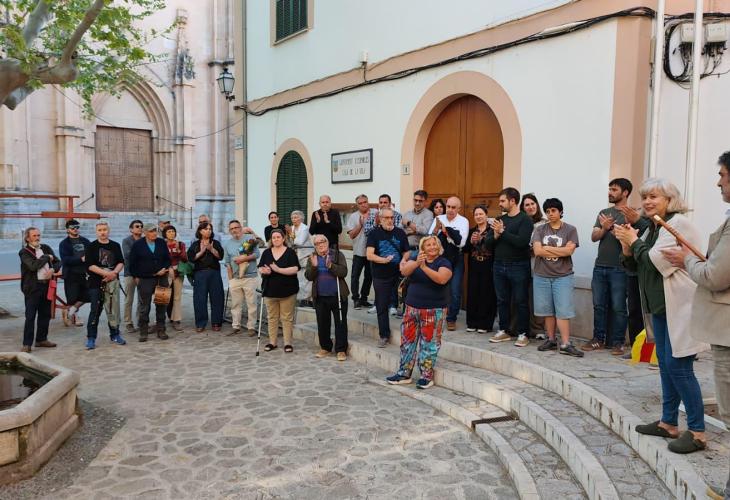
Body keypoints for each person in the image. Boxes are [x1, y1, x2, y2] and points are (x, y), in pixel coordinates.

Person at [615, 178, 709, 454]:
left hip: (679, 306)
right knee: (667, 366)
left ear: (670, 199)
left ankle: (698, 432)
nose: (647, 202)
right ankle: (668, 423)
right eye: (644, 197)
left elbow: (656, 261)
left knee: (680, 368)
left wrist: (634, 242)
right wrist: (627, 247)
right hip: (659, 307)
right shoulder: (654, 226)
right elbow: (636, 265)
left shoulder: (678, 224)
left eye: (653, 196)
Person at [661, 153, 730, 495]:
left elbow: (714, 275)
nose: (718, 182)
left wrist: (686, 259)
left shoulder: (686, 225)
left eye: (723, 175)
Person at [386, 235, 453, 389]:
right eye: (428, 245)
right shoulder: (416, 260)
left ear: (439, 247)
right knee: (407, 342)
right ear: (422, 248)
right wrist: (417, 263)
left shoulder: (444, 262)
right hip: (411, 308)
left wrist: (424, 268)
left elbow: (441, 279)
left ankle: (426, 376)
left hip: (433, 310)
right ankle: (404, 373)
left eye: (434, 244)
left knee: (429, 344)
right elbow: (404, 271)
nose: (432, 247)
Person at [583, 178, 636, 355]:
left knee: (619, 307)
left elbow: (632, 240)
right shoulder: (604, 213)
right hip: (600, 267)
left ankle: (618, 342)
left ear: (625, 192)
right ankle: (598, 339)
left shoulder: (632, 214)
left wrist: (614, 230)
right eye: (609, 189)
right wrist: (604, 228)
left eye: (614, 190)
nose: (610, 193)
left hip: (620, 268)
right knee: (598, 305)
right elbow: (594, 237)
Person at [531, 199, 583, 357]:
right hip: (542, 275)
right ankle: (551, 339)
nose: (550, 214)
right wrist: (560, 250)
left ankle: (566, 344)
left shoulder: (570, 229)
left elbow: (569, 251)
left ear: (560, 211)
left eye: (553, 210)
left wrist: (547, 248)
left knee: (563, 311)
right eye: (547, 211)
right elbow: (537, 251)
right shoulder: (540, 229)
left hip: (563, 276)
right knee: (548, 311)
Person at [486, 188, 534, 346]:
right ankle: (503, 330)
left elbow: (522, 242)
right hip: (499, 265)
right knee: (502, 300)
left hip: (519, 266)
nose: (500, 204)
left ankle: (523, 333)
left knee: (521, 300)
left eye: (502, 201)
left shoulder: (525, 220)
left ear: (513, 201)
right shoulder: (499, 219)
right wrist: (495, 235)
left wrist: (502, 232)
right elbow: (487, 244)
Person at [367, 207, 410, 347]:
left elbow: (406, 252)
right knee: (382, 305)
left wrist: (403, 260)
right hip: (381, 275)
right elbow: (369, 255)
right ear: (380, 219)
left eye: (391, 217)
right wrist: (383, 260)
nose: (390, 220)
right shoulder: (374, 234)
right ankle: (384, 335)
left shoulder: (400, 233)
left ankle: (409, 333)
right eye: (386, 218)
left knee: (407, 302)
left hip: (399, 273)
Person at [305, 234, 349, 361]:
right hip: (320, 296)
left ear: (327, 242)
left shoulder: (337, 255)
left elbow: (344, 272)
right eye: (317, 243)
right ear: (314, 246)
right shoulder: (312, 257)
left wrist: (331, 266)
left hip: (337, 295)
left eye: (323, 241)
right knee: (322, 323)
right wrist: (314, 267)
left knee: (340, 323)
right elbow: (309, 276)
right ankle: (325, 347)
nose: (320, 245)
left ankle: (341, 350)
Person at [428, 196, 469, 331]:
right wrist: (437, 229)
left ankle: (451, 319)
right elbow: (429, 239)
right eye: (448, 207)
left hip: (456, 259)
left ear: (459, 209)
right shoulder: (439, 219)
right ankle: (436, 316)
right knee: (437, 288)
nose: (450, 210)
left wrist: (445, 231)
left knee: (455, 290)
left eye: (453, 207)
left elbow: (461, 243)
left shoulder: (463, 221)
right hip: (440, 258)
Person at [85, 222, 126, 349]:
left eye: (104, 229)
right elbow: (90, 265)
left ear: (109, 231)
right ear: (96, 232)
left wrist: (114, 273)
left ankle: (115, 334)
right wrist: (106, 274)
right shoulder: (91, 246)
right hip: (96, 282)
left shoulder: (115, 245)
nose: (102, 232)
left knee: (113, 309)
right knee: (95, 310)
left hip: (112, 282)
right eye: (100, 230)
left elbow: (121, 262)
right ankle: (91, 337)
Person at [19, 227, 61, 352]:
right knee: (30, 316)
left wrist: (53, 269)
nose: (37, 238)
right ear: (27, 238)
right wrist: (47, 257)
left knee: (45, 314)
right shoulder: (24, 252)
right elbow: (33, 266)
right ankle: (27, 344)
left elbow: (58, 262)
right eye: (34, 236)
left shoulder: (46, 247)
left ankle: (41, 339)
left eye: (38, 235)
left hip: (47, 286)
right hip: (33, 288)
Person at [258, 229, 300, 352]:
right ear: (271, 240)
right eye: (274, 237)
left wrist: (278, 270)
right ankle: (272, 342)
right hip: (269, 290)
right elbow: (260, 267)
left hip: (288, 291)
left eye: (278, 237)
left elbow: (295, 269)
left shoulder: (290, 252)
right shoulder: (266, 252)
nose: (276, 239)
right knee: (272, 317)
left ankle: (288, 343)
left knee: (286, 318)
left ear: (283, 238)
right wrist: (264, 271)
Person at [128, 224, 171, 342]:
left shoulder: (161, 242)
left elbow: (167, 259)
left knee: (161, 304)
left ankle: (161, 329)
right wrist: (136, 277)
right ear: (145, 232)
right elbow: (132, 263)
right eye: (151, 231)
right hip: (145, 279)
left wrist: (164, 269)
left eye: (155, 231)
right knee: (144, 307)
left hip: (162, 278)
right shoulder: (138, 245)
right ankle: (143, 331)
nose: (154, 233)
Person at [225, 220, 262, 336]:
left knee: (251, 304)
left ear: (241, 228)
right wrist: (230, 280)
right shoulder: (228, 244)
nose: (234, 230)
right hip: (235, 279)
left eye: (236, 227)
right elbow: (227, 263)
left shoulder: (249, 239)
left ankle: (251, 327)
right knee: (236, 304)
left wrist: (244, 259)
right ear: (229, 231)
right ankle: (236, 326)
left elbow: (257, 254)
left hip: (250, 277)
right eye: (231, 229)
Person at [187, 221, 225, 333]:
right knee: (200, 299)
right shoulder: (195, 244)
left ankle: (216, 322)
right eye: (206, 229)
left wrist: (211, 249)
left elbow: (220, 256)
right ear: (200, 231)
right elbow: (191, 258)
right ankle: (200, 323)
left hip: (214, 273)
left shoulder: (215, 243)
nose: (208, 231)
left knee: (217, 297)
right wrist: (202, 251)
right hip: (200, 273)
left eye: (210, 229)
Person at [520, 193, 548, 340]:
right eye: (527, 205)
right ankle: (520, 328)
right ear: (522, 208)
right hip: (521, 265)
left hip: (538, 267)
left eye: (532, 204)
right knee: (520, 298)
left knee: (537, 299)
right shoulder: (520, 222)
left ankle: (538, 329)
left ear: (537, 205)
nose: (530, 207)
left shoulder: (544, 223)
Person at [464, 205, 497, 333]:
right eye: (476, 214)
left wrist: (482, 240)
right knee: (473, 293)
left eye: (481, 214)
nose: (478, 216)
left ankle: (485, 324)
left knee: (487, 293)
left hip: (488, 264)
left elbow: (494, 246)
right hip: (474, 264)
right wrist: (471, 242)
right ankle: (472, 322)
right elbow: (465, 249)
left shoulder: (492, 230)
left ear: (486, 215)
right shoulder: (472, 231)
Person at [346, 194, 376, 309]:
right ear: (357, 205)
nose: (363, 205)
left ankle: (364, 298)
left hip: (372, 252)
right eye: (360, 203)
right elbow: (352, 235)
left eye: (365, 202)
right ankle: (355, 299)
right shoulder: (353, 216)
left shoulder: (375, 213)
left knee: (369, 276)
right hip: (359, 251)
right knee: (355, 276)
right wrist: (360, 225)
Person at [59, 219, 90, 326]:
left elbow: (92, 254)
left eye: (77, 227)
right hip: (71, 274)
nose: (75, 229)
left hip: (85, 273)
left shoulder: (85, 241)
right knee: (72, 297)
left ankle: (71, 311)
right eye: (72, 228)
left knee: (88, 295)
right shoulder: (64, 244)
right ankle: (75, 317)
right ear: (67, 229)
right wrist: (81, 259)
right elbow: (65, 260)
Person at [163, 224, 187, 332]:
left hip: (178, 273)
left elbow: (185, 258)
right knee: (163, 296)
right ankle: (160, 319)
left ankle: (176, 320)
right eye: (169, 232)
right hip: (165, 273)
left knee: (177, 297)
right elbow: (160, 258)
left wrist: (178, 250)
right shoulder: (162, 244)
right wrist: (169, 267)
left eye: (173, 231)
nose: (171, 233)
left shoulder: (181, 244)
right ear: (165, 234)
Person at [288, 210, 314, 305]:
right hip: (297, 257)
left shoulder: (305, 228)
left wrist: (290, 234)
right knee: (299, 278)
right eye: (292, 218)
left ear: (301, 218)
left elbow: (300, 242)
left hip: (306, 256)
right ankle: (301, 298)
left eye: (295, 217)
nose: (293, 219)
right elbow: (290, 242)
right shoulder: (292, 228)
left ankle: (308, 299)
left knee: (306, 279)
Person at [122, 219, 143, 334]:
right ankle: (128, 322)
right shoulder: (126, 241)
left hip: (143, 274)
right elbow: (128, 255)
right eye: (137, 226)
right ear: (131, 229)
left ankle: (140, 321)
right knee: (129, 299)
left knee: (142, 299)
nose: (139, 228)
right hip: (129, 273)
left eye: (141, 226)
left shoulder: (145, 240)